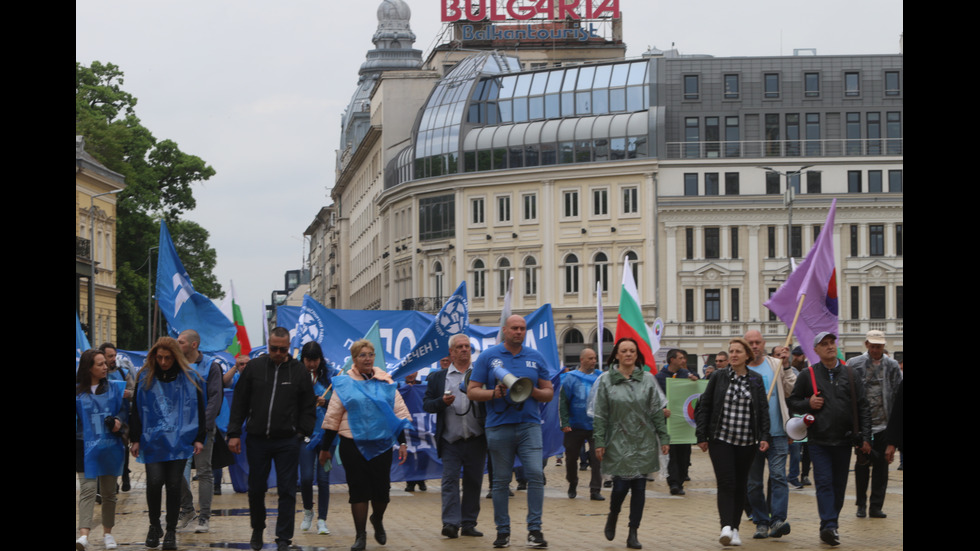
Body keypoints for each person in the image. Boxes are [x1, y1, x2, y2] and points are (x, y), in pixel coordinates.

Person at [468, 315, 554, 549]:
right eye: (514, 328)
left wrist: (531, 389)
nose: (519, 332)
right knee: (501, 481)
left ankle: (534, 529)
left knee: (536, 475)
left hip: (529, 425)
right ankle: (502, 531)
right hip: (498, 426)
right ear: (504, 330)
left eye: (522, 328)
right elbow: (472, 391)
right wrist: (494, 394)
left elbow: (549, 393)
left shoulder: (535, 357)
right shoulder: (488, 357)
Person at [227, 327, 316, 551]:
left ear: (289, 347)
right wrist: (234, 433)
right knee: (256, 488)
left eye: (282, 349)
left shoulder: (298, 371)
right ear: (268, 346)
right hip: (257, 439)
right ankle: (257, 529)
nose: (278, 352)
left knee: (287, 489)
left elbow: (308, 407)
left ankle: (284, 538)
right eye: (274, 348)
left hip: (288, 440)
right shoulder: (255, 368)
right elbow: (239, 402)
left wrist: (302, 432)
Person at [320, 339, 411, 551]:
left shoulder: (386, 381)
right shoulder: (343, 383)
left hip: (381, 444)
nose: (368, 358)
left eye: (370, 354)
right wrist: (325, 448)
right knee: (358, 491)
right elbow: (333, 417)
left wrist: (403, 442)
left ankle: (377, 519)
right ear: (354, 359)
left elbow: (397, 413)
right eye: (362, 355)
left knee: (382, 493)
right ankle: (360, 536)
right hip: (352, 444)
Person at [787, 332, 871, 547]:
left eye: (831, 342)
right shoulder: (808, 375)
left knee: (839, 486)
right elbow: (793, 402)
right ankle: (829, 525)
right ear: (815, 350)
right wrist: (809, 403)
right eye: (824, 344)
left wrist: (865, 436)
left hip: (844, 441)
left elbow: (863, 406)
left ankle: (829, 524)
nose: (829, 347)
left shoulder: (850, 374)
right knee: (824, 483)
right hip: (819, 440)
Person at [593, 338, 670, 550]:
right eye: (624, 351)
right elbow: (600, 413)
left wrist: (663, 437)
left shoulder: (647, 379)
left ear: (637, 355)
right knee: (620, 487)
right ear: (616, 354)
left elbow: (656, 411)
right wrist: (599, 440)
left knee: (639, 487)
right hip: (617, 440)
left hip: (643, 441)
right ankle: (613, 514)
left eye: (632, 351)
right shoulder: (606, 380)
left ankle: (633, 532)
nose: (628, 354)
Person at [130, 337, 206, 551]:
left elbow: (200, 409)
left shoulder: (190, 378)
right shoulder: (144, 377)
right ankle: (154, 525)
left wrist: (200, 437)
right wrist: (134, 438)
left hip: (179, 440)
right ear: (154, 355)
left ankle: (171, 530)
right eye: (160, 357)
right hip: (152, 440)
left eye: (168, 358)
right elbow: (135, 410)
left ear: (176, 357)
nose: (163, 362)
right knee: (154, 482)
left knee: (174, 485)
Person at [695, 337, 771, 548]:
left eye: (738, 351)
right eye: (731, 351)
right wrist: (701, 435)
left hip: (747, 442)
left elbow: (763, 411)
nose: (734, 355)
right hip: (721, 439)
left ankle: (735, 529)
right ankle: (726, 527)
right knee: (726, 482)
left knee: (740, 486)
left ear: (747, 355)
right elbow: (705, 405)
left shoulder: (755, 380)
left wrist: (764, 436)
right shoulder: (719, 377)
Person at [423, 334, 487, 539]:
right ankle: (450, 523)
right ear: (451, 352)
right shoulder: (437, 377)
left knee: (473, 482)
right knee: (449, 481)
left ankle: (468, 523)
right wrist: (442, 402)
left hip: (476, 438)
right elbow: (427, 405)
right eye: (459, 347)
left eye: (467, 346)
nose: (464, 350)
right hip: (450, 439)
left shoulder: (480, 375)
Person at [742, 330, 796, 539]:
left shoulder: (775, 364)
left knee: (779, 477)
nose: (755, 346)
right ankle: (761, 521)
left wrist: (787, 366)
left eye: (758, 342)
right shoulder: (741, 369)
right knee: (754, 482)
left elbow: (791, 389)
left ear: (763, 344)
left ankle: (778, 520)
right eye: (751, 343)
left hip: (777, 433)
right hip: (751, 435)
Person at [848, 330, 902, 519]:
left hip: (885, 424)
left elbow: (898, 394)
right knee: (862, 465)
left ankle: (876, 506)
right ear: (866, 345)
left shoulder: (892, 365)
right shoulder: (854, 364)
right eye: (873, 346)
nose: (876, 349)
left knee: (882, 466)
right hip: (864, 425)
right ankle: (861, 504)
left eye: (879, 346)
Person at [76, 349, 127, 551]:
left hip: (109, 445)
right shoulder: (78, 391)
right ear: (89, 368)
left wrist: (118, 421)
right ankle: (83, 535)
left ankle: (107, 533)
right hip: (83, 445)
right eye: (100, 364)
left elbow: (123, 409)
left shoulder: (115, 388)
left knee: (108, 492)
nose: (105, 367)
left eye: (105, 363)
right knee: (88, 490)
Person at [176, 329, 224, 534]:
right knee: (176, 471)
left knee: (204, 471)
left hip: (203, 429)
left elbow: (215, 397)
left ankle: (204, 516)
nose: (177, 345)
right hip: (179, 428)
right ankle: (186, 509)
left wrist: (204, 426)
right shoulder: (176, 365)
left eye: (181, 342)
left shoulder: (211, 366)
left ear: (194, 345)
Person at [560, 348, 604, 501]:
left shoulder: (601, 377)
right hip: (574, 426)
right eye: (590, 358)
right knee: (571, 458)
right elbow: (563, 402)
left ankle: (595, 489)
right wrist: (564, 422)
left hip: (595, 425)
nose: (594, 361)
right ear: (582, 360)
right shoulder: (570, 378)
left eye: (595, 358)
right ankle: (572, 482)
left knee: (597, 457)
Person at [299, 341, 334, 535]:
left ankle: (322, 519)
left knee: (323, 479)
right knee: (305, 478)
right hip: (305, 434)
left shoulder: (330, 375)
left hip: (327, 435)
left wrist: (326, 401)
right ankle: (307, 511)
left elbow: (340, 401)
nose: (312, 364)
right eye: (308, 360)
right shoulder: (296, 374)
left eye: (315, 360)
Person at [655, 348, 698, 495]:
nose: (684, 361)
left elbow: (695, 392)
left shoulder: (686, 375)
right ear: (672, 359)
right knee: (672, 454)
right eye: (680, 358)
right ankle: (673, 483)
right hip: (669, 423)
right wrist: (661, 410)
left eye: (684, 358)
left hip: (684, 423)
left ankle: (680, 480)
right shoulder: (659, 377)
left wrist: (694, 381)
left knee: (684, 454)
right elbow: (654, 399)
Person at [99, 342, 135, 492]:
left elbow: (135, 392)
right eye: (110, 356)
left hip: (123, 416)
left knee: (123, 446)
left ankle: (125, 474)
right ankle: (109, 482)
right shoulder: (97, 373)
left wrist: (129, 394)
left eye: (114, 355)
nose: (114, 359)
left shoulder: (123, 372)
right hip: (103, 417)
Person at [401, 371, 427, 492]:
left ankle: (421, 479)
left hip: (422, 424)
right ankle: (410, 482)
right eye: (408, 372)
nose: (410, 374)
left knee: (424, 453)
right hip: (406, 425)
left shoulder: (425, 385)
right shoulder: (398, 386)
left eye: (413, 372)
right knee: (408, 454)